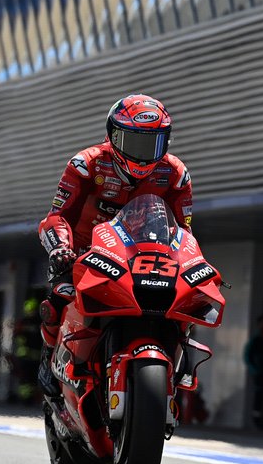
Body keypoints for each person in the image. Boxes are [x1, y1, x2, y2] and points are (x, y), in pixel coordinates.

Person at [36, 94, 194, 396]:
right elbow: (57, 216)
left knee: (185, 302)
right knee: (60, 297)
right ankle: (48, 355)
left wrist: (190, 262)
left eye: (153, 143)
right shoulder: (86, 165)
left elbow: (184, 231)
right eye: (134, 142)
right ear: (113, 136)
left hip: (145, 258)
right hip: (84, 256)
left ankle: (178, 362)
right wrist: (60, 248)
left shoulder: (175, 175)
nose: (143, 154)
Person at [8, 297, 43, 404]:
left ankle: (27, 398)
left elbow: (17, 336)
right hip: (29, 355)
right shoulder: (39, 323)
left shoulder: (25, 323)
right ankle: (27, 398)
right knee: (28, 379)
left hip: (28, 355)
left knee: (27, 379)